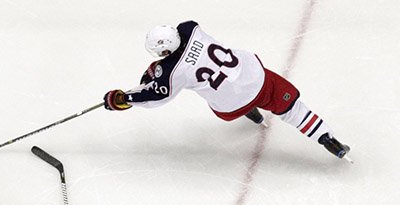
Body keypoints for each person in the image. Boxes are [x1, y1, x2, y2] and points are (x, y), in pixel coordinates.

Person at [103, 21, 352, 161]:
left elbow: (157, 95)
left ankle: (251, 113)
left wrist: (126, 98)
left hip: (229, 107)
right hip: (256, 80)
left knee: (223, 93)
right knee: (291, 109)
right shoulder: (190, 28)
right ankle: (327, 139)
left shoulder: (170, 73)